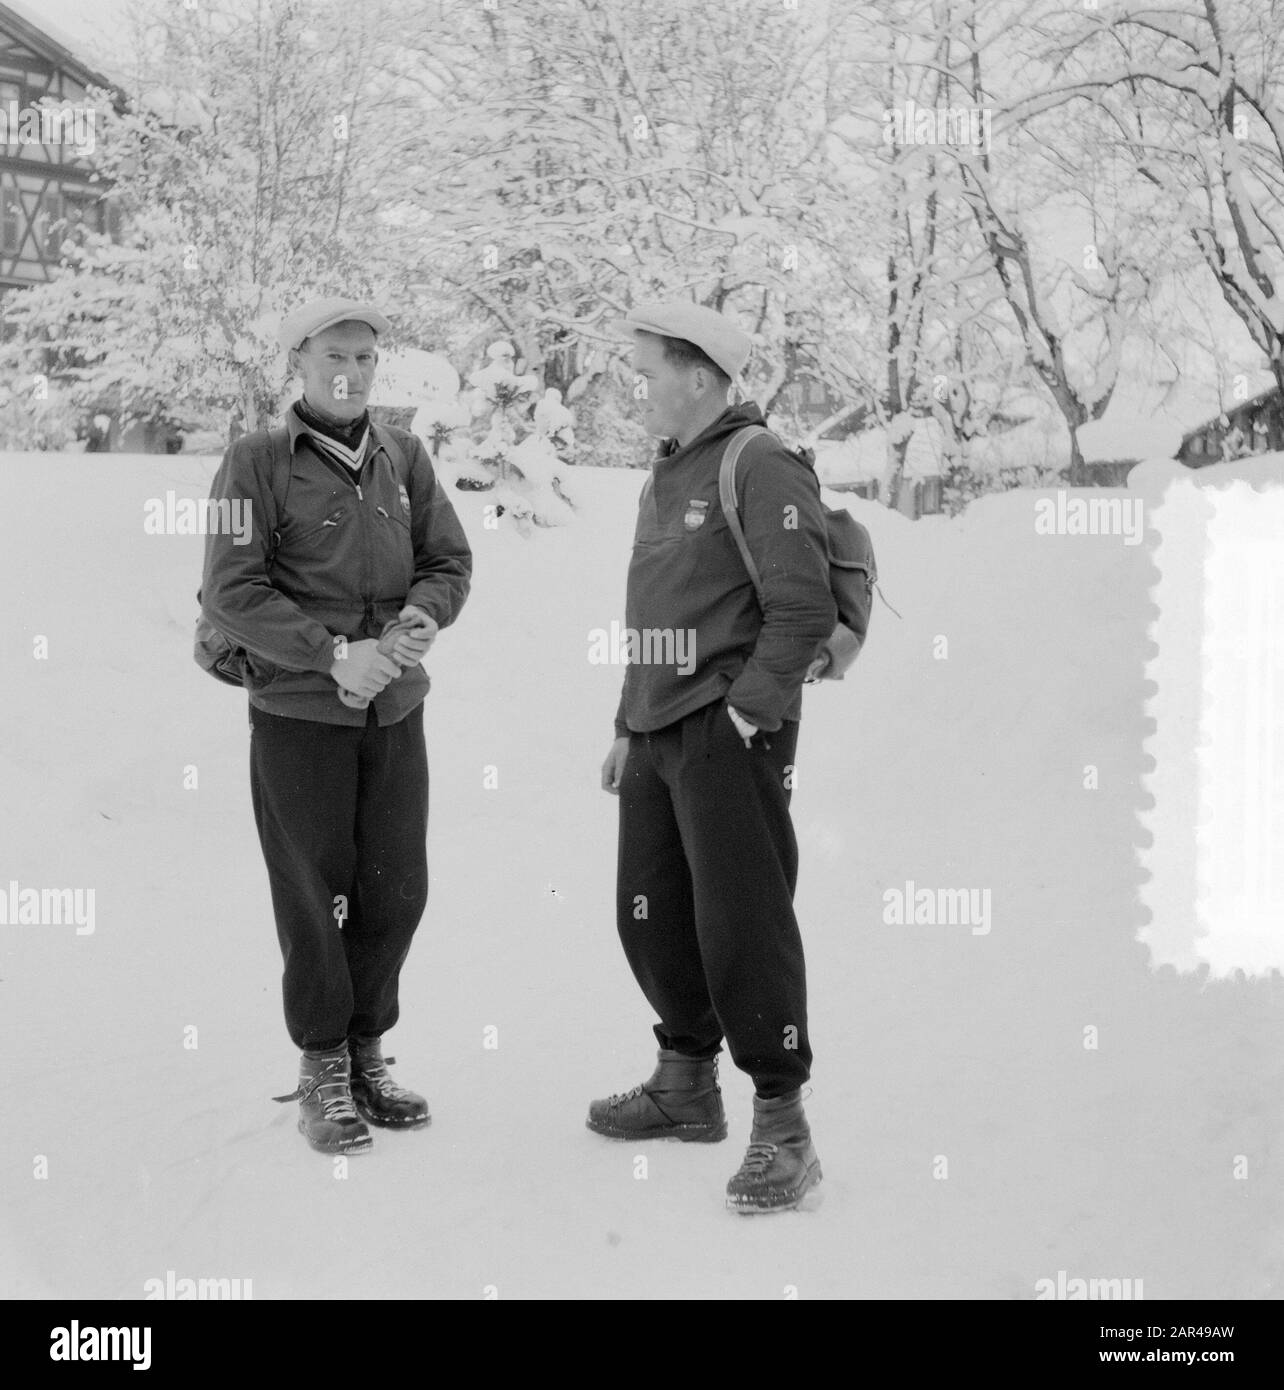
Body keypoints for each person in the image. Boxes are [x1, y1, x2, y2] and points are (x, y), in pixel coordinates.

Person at [200, 297, 472, 1155]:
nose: (350, 372)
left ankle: (366, 1049)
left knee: (398, 885)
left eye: (364, 356)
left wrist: (423, 616)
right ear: (300, 364)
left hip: (395, 705)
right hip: (301, 711)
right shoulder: (255, 462)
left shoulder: (404, 454)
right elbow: (230, 591)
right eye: (332, 357)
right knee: (316, 890)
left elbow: (448, 560)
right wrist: (330, 654)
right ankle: (323, 1063)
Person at [591, 301, 837, 1212]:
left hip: (727, 728)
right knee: (648, 914)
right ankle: (685, 1084)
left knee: (743, 919)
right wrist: (628, 721)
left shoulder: (758, 461)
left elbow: (802, 607)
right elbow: (653, 611)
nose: (638, 386)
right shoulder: (664, 473)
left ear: (699, 377)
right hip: (659, 729)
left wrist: (744, 717)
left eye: (649, 370)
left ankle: (785, 1124)